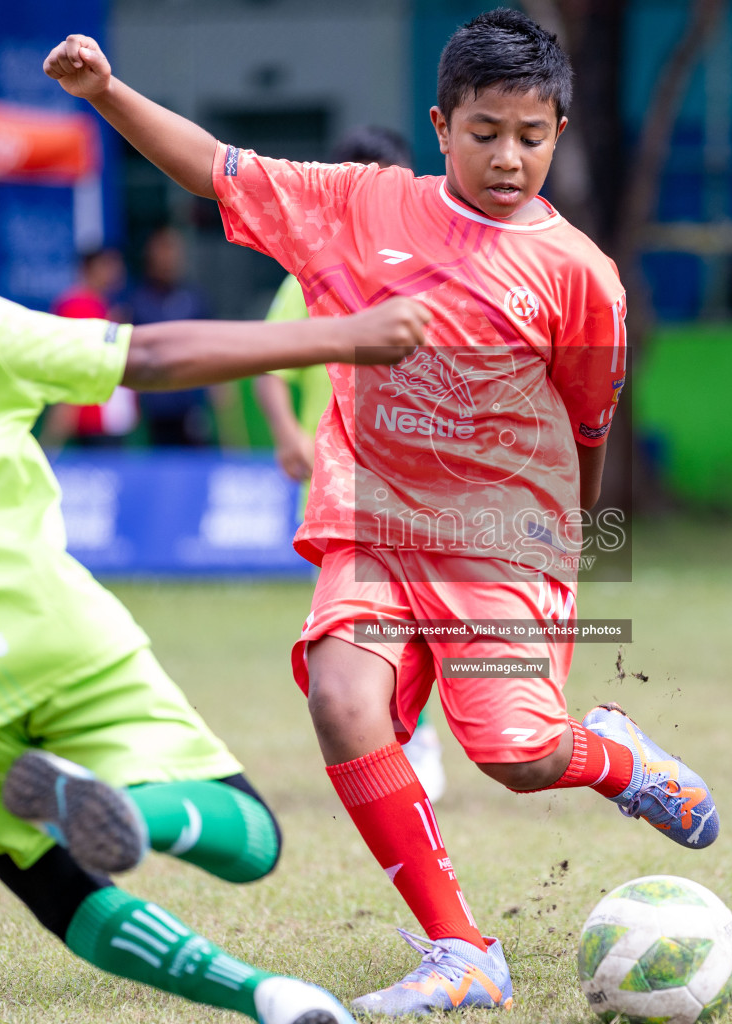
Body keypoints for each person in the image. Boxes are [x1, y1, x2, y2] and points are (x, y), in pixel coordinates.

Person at [44, 8, 718, 1014]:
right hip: (375, 526)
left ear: (559, 136)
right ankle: (462, 949)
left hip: (505, 544)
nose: (507, 156)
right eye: (485, 132)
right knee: (341, 699)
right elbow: (216, 167)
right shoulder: (362, 205)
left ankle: (612, 751)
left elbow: (587, 428)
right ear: (441, 126)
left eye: (531, 137)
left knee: (515, 754)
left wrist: (568, 545)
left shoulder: (583, 277)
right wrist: (104, 93)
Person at [0, 118, 429, 1023]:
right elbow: (149, 355)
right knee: (250, 836)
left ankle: (268, 1000)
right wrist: (346, 338)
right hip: (49, 632)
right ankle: (147, 813)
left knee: (62, 892)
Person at [253, 125, 449, 803]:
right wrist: (286, 434)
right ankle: (396, 727)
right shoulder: (311, 274)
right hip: (338, 481)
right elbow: (270, 364)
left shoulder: (438, 271)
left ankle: (414, 729)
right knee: (352, 626)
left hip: (416, 478)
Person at [126, 226, 222, 446]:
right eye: (163, 251)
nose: (169, 258)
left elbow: (212, 348)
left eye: (174, 251)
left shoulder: (194, 298)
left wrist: (220, 395)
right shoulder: (137, 301)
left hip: (192, 407)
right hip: (153, 411)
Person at [41, 247, 138, 449]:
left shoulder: (106, 304)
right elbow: (77, 362)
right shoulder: (78, 304)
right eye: (107, 264)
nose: (116, 271)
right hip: (89, 414)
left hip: (109, 415)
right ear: (89, 268)